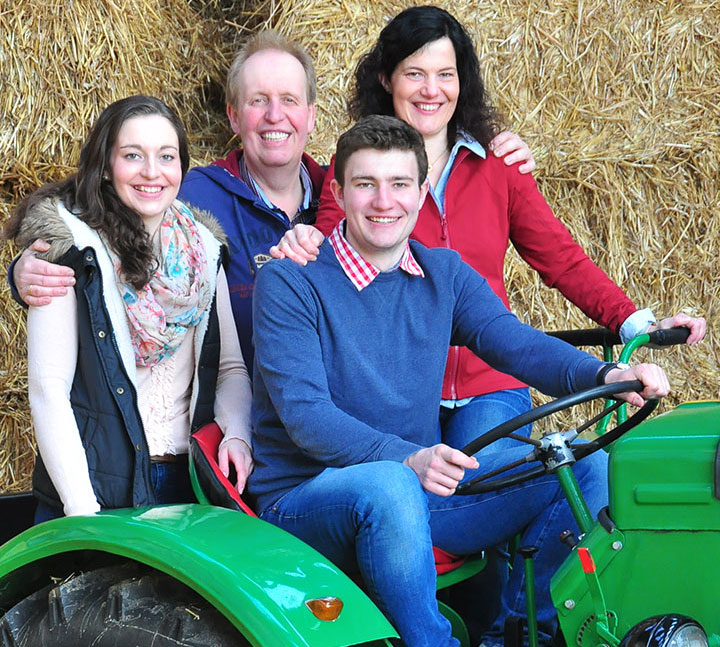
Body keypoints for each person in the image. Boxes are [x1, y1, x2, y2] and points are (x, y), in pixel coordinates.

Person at [249, 114, 671, 647]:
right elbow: (307, 417)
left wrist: (608, 372)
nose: (385, 201)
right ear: (338, 191)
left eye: (400, 184)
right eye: (365, 184)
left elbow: (512, 340)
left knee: (586, 464)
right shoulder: (290, 280)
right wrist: (410, 458)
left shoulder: (442, 273)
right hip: (310, 496)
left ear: (422, 191)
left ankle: (516, 632)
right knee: (390, 483)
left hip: (416, 490)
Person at [8, 29, 536, 370]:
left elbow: (425, 210)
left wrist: (489, 149)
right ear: (235, 118)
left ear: (310, 114)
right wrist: (29, 265)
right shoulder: (192, 193)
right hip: (225, 421)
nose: (275, 116)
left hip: (337, 416)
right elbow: (89, 213)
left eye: (288, 101)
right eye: (258, 102)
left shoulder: (352, 194)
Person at [2, 96, 253, 521]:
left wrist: (239, 436)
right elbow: (49, 390)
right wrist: (83, 511)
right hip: (93, 490)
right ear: (105, 165)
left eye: (166, 156)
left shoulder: (203, 252)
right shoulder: (70, 249)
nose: (152, 172)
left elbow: (229, 368)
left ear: (182, 168)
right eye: (133, 155)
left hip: (185, 488)